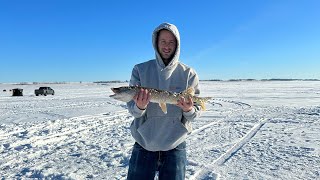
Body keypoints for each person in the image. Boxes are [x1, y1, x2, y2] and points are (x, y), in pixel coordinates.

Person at [127, 22, 202, 180]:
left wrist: (189, 110)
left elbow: (195, 115)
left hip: (175, 145)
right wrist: (140, 107)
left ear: (177, 44)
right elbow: (132, 109)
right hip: (143, 143)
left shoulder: (189, 73)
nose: (167, 46)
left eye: (171, 42)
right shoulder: (140, 70)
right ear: (156, 42)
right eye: (163, 41)